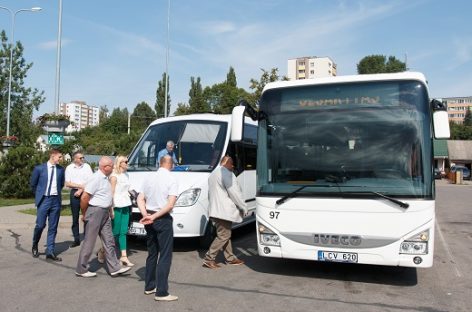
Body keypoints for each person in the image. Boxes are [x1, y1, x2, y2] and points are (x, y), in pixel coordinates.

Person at [75, 156, 131, 278]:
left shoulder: (106, 178)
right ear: (105, 167)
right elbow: (85, 198)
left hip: (105, 212)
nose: (113, 167)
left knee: (109, 241)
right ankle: (81, 268)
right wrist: (84, 214)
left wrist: (110, 210)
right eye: (111, 165)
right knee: (89, 241)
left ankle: (114, 268)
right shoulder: (96, 178)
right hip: (95, 211)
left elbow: (107, 195)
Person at [137, 155, 179, 301]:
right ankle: (161, 292)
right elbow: (170, 205)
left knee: (152, 253)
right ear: (171, 165)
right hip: (162, 218)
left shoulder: (149, 177)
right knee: (165, 255)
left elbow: (140, 198)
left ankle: (149, 286)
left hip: (149, 217)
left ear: (159, 164)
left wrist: (146, 214)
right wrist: (154, 217)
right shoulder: (172, 179)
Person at [203, 155, 247, 269]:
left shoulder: (213, 174)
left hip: (215, 209)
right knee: (224, 235)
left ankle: (230, 258)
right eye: (231, 164)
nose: (232, 167)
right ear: (227, 163)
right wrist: (243, 206)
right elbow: (235, 193)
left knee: (225, 234)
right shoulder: (226, 173)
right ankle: (209, 258)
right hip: (223, 211)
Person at [31, 148, 65, 261]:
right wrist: (40, 196)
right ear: (52, 155)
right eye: (59, 157)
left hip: (56, 201)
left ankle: (50, 251)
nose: (61, 159)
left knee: (53, 227)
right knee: (40, 225)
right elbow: (33, 185)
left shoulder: (60, 170)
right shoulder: (39, 169)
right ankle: (35, 244)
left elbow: (61, 184)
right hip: (44, 200)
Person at [64, 151, 93, 248]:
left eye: (83, 157)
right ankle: (76, 239)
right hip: (74, 193)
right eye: (80, 158)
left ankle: (87, 237)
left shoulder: (87, 167)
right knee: (75, 216)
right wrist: (80, 186)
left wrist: (81, 189)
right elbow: (68, 183)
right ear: (75, 159)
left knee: (87, 216)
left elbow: (91, 180)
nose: (82, 159)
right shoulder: (69, 168)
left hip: (85, 192)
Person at [110, 155, 134, 267]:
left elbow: (128, 189)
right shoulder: (114, 176)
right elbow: (111, 193)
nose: (127, 163)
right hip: (117, 205)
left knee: (124, 231)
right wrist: (111, 209)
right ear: (120, 163)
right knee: (115, 232)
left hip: (126, 204)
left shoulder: (126, 175)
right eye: (126, 161)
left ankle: (123, 256)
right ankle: (103, 252)